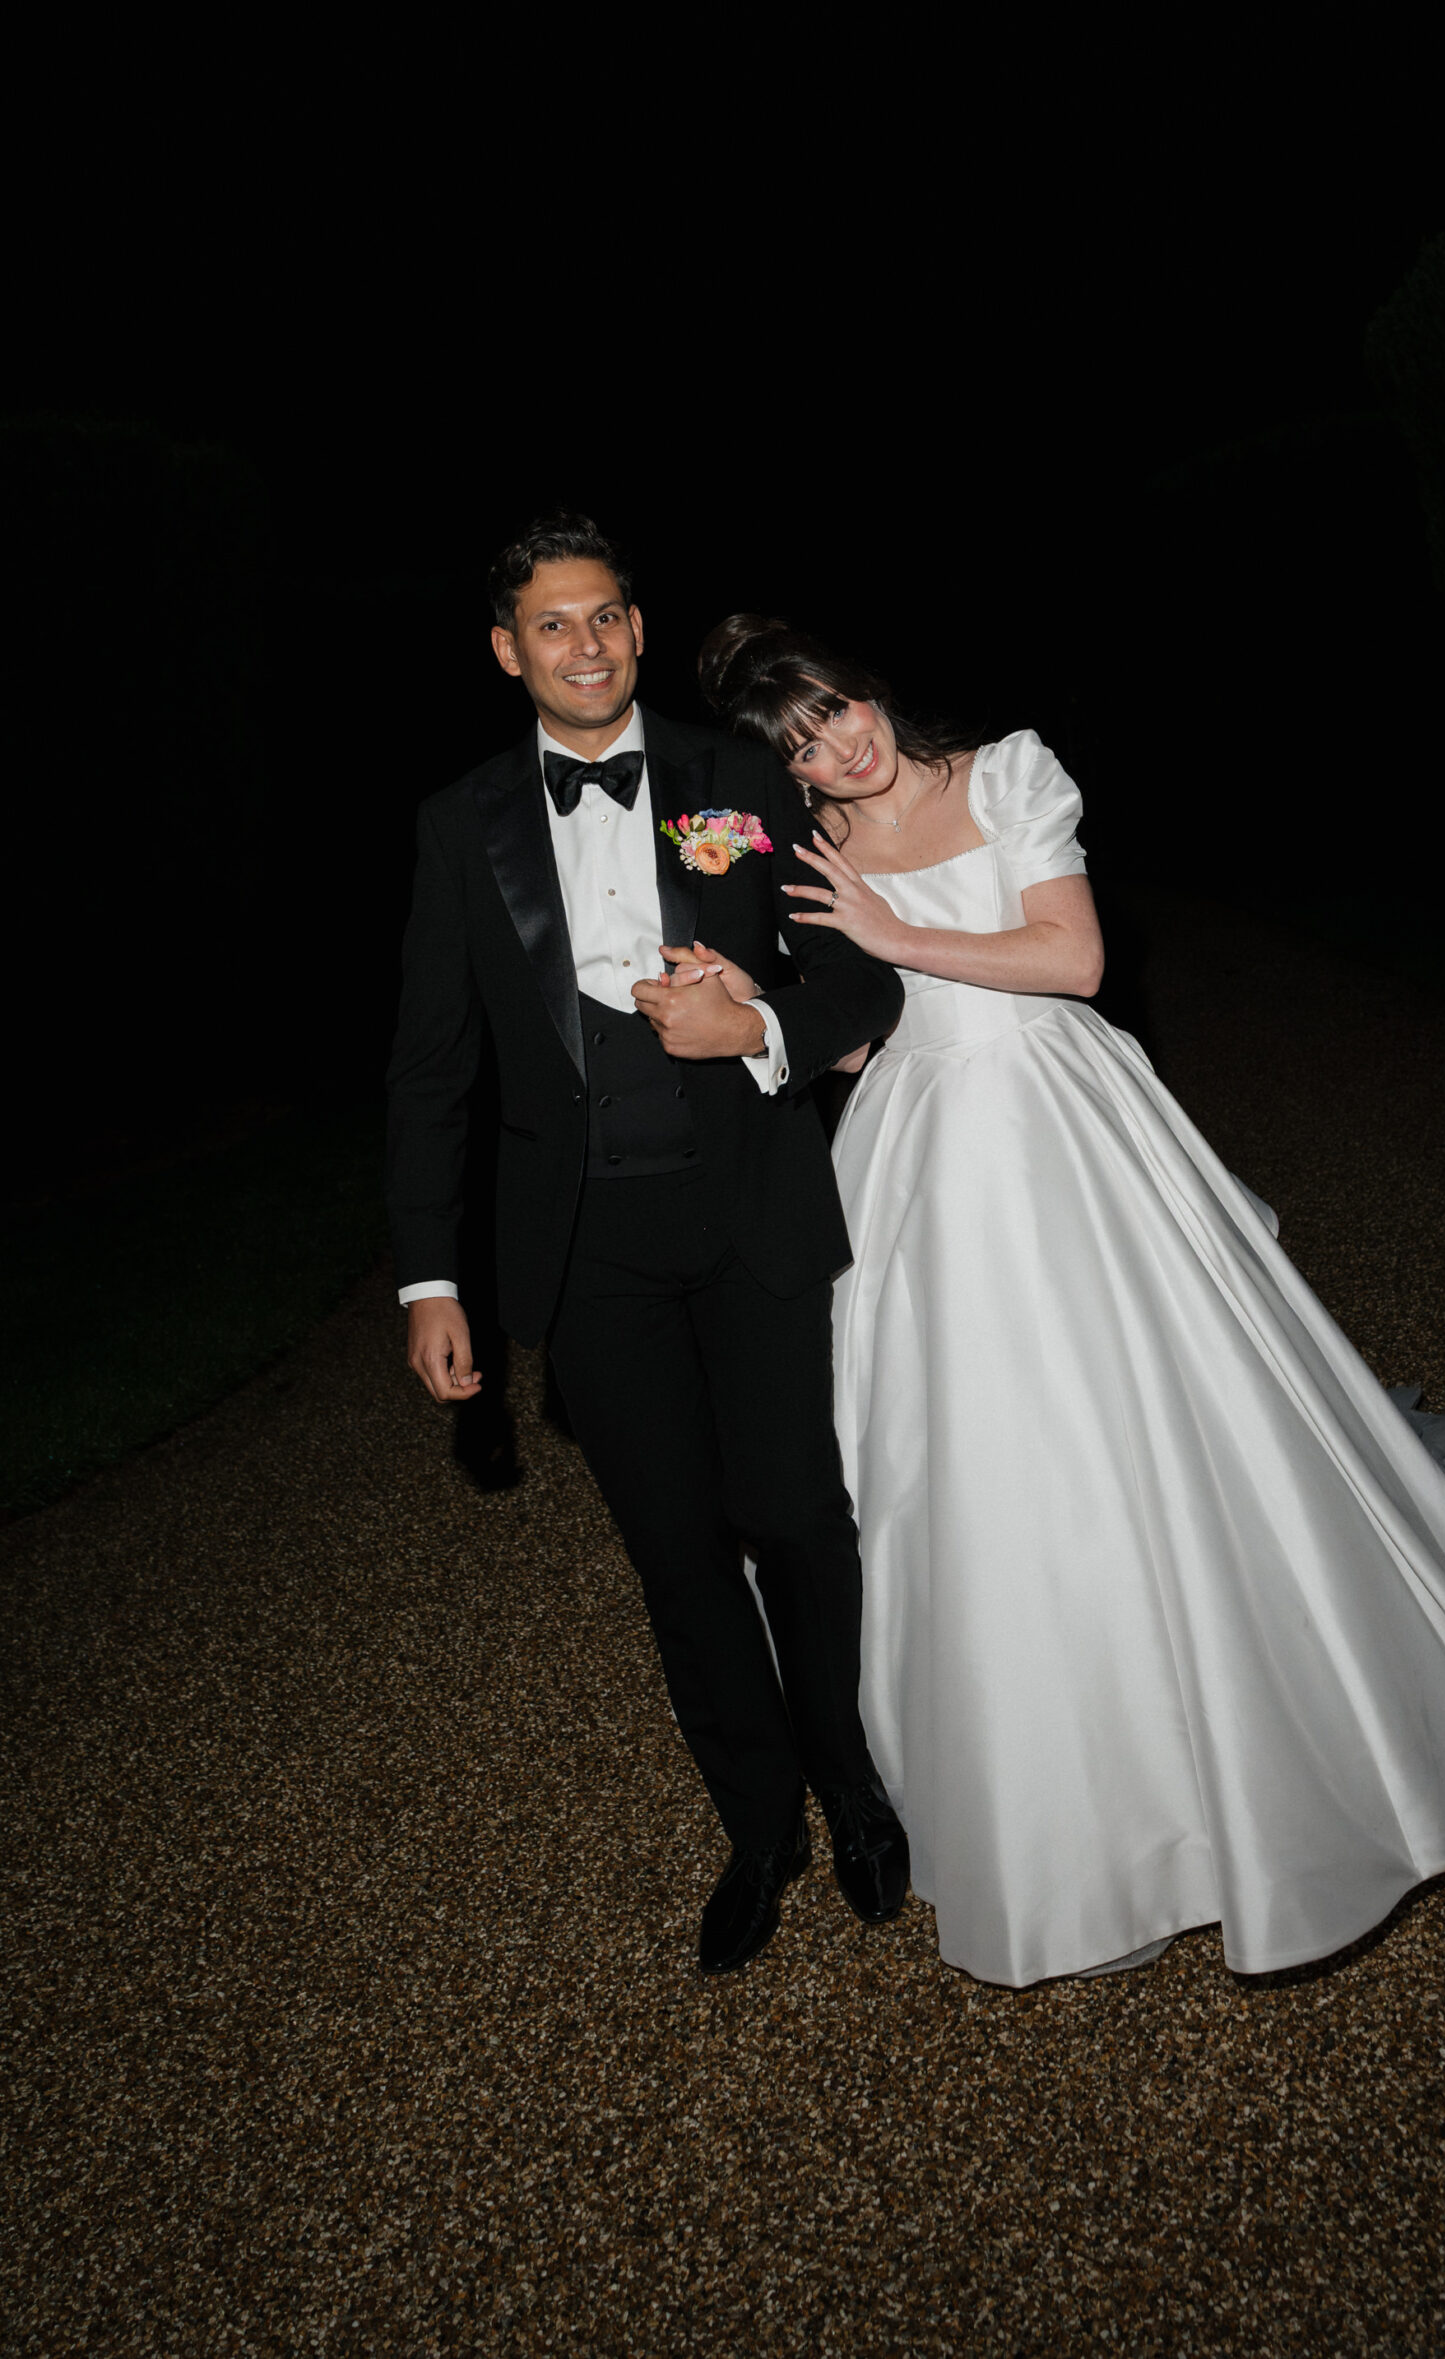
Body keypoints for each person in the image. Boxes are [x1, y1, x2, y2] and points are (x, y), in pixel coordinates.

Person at [698, 614, 1445, 1988]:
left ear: (869, 690)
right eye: (804, 745)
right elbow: (863, 1018)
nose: (841, 744)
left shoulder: (1008, 774)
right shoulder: (821, 852)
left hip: (1064, 1119)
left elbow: (1071, 961)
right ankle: (1036, 1795)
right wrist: (759, 1020)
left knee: (1171, 1410)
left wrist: (899, 930)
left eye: (838, 708)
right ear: (794, 778)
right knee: (952, 1458)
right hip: (922, 1141)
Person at [386, 519, 908, 1974]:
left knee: (798, 1517)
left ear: (633, 624)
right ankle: (761, 1828)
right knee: (678, 1555)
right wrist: (433, 1276)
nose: (588, 644)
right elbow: (432, 1069)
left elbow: (863, 972)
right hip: (587, 1250)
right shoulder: (456, 823)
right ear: (508, 650)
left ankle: (854, 1787)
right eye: (554, 626)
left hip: (748, 1211)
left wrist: (761, 1030)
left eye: (606, 616)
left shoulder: (738, 777)